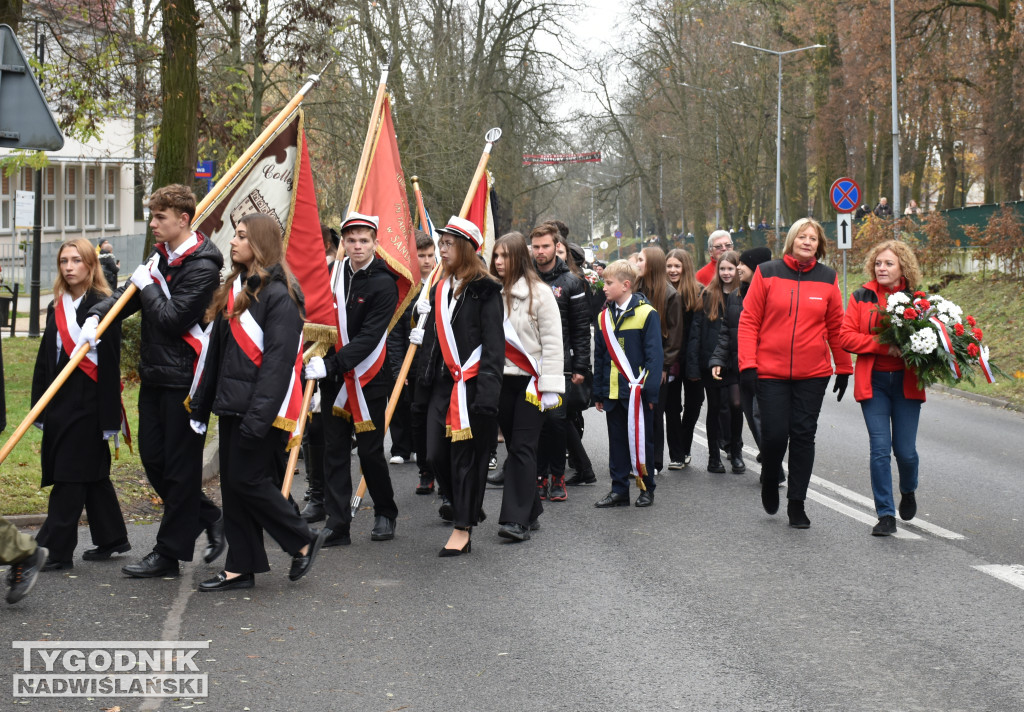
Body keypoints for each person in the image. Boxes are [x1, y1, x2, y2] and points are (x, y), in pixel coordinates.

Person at [83, 184, 224, 578]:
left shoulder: (203, 267)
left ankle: (168, 554)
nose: (153, 224)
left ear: (184, 219)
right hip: (155, 374)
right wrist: (97, 315)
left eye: (160, 217)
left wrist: (147, 285)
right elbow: (129, 295)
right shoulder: (159, 257)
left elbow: (172, 319)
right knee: (153, 459)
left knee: (179, 468)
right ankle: (210, 516)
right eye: (152, 215)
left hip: (185, 380)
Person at [187, 213, 326, 591]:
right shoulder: (237, 289)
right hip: (233, 405)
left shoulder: (280, 296)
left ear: (261, 244)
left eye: (242, 236)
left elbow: (277, 367)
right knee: (234, 487)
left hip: (260, 412)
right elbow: (219, 357)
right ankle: (240, 566)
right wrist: (202, 406)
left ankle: (302, 538)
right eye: (235, 235)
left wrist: (257, 419)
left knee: (248, 481)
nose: (233, 242)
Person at [738, 218, 853, 528]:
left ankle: (797, 503)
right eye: (802, 236)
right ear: (791, 241)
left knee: (803, 435)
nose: (807, 242)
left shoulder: (827, 278)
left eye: (813, 238)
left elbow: (836, 325)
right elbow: (749, 321)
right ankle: (770, 475)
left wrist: (844, 366)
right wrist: (748, 364)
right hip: (770, 371)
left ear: (819, 245)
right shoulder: (767, 272)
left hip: (812, 373)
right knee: (775, 435)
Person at [32, 238, 129, 571]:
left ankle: (53, 550)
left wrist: (109, 416)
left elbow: (110, 362)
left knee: (70, 474)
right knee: (91, 471)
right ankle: (112, 536)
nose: (69, 267)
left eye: (76, 260)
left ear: (91, 264)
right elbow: (46, 358)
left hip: (89, 402)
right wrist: (39, 403)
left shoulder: (103, 304)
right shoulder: (55, 305)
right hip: (60, 401)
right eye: (64, 261)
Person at [305, 213, 400, 546]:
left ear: (375, 243)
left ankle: (385, 511)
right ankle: (337, 523)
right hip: (333, 380)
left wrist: (331, 365)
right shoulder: (331, 275)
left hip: (368, 378)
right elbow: (317, 319)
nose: (357, 246)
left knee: (370, 453)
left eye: (364, 240)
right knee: (334, 450)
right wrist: (314, 358)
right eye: (351, 240)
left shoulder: (384, 283)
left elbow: (370, 337)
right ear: (343, 242)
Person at [411, 216, 503, 556]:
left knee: (466, 459)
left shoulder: (486, 290)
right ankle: (467, 505)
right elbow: (434, 342)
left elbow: (494, 346)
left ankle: (462, 528)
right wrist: (419, 326)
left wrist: (488, 395)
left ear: (465, 248)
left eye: (448, 244)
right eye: (442, 244)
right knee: (435, 455)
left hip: (471, 386)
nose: (442, 250)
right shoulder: (439, 288)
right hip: (440, 385)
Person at [839, 240, 925, 537]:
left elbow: (930, 339)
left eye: (889, 263)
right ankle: (885, 514)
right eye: (878, 263)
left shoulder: (917, 300)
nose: (882, 268)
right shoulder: (861, 296)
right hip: (873, 382)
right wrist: (881, 346)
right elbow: (846, 337)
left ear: (903, 267)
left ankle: (908, 489)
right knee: (879, 449)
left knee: (906, 453)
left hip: (906, 385)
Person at [490, 233, 563, 541]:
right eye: (496, 256)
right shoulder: (489, 292)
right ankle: (530, 509)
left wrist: (550, 386)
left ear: (519, 257)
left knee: (522, 447)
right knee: (516, 447)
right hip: (499, 381)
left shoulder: (541, 294)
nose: (498, 262)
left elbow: (553, 343)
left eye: (505, 256)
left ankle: (515, 520)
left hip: (531, 383)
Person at [593, 259, 662, 508]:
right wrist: (598, 392)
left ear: (625, 285)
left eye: (608, 283)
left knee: (642, 442)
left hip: (637, 393)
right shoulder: (603, 317)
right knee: (617, 443)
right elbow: (600, 357)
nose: (604, 287)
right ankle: (619, 489)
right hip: (613, 392)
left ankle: (646, 488)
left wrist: (650, 394)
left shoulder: (646, 313)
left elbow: (654, 357)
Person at [530, 223, 591, 503]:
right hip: (530, 365)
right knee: (537, 424)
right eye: (536, 247)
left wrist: (581, 367)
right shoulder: (526, 278)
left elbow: (581, 329)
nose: (540, 251)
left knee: (556, 423)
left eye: (545, 246)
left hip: (561, 365)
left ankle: (557, 477)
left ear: (556, 246)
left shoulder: (571, 282)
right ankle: (539, 476)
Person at [709, 247, 772, 466]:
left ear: (756, 267)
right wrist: (718, 359)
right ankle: (769, 460)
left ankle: (771, 460)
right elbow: (727, 331)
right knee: (752, 414)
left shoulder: (771, 293)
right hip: (743, 365)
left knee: (762, 415)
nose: (738, 268)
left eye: (742, 264)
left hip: (768, 366)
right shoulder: (737, 296)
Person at [686, 250, 744, 474]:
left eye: (730, 269)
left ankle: (736, 451)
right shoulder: (708, 294)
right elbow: (696, 332)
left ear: (737, 270)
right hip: (712, 361)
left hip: (735, 361)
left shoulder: (744, 294)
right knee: (715, 407)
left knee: (736, 405)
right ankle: (714, 456)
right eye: (722, 269)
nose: (726, 273)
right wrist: (694, 366)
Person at [387, 230, 436, 493]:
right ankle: (420, 466)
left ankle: (432, 462)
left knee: (433, 416)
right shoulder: (405, 288)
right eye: (421, 256)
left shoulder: (442, 283)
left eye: (430, 255)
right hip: (411, 363)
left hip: (435, 364)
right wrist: (398, 369)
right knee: (413, 413)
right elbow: (395, 333)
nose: (427, 261)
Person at [299, 223, 339, 523]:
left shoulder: (336, 272)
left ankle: (321, 495)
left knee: (320, 429)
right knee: (305, 428)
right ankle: (313, 492)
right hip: (299, 357)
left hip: (331, 359)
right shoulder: (297, 273)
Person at [635, 246, 682, 476]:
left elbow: (674, 336)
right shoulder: (635, 288)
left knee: (654, 412)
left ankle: (654, 461)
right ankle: (637, 458)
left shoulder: (670, 294)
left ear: (652, 264)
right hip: (635, 360)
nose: (637, 263)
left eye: (641, 260)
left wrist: (664, 367)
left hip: (658, 364)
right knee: (636, 412)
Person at [663, 248, 704, 470]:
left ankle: (685, 444)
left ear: (685, 268)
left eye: (677, 266)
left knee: (694, 404)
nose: (673, 270)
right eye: (669, 266)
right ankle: (677, 454)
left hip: (693, 358)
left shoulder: (699, 293)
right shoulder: (661, 292)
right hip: (671, 359)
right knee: (671, 407)